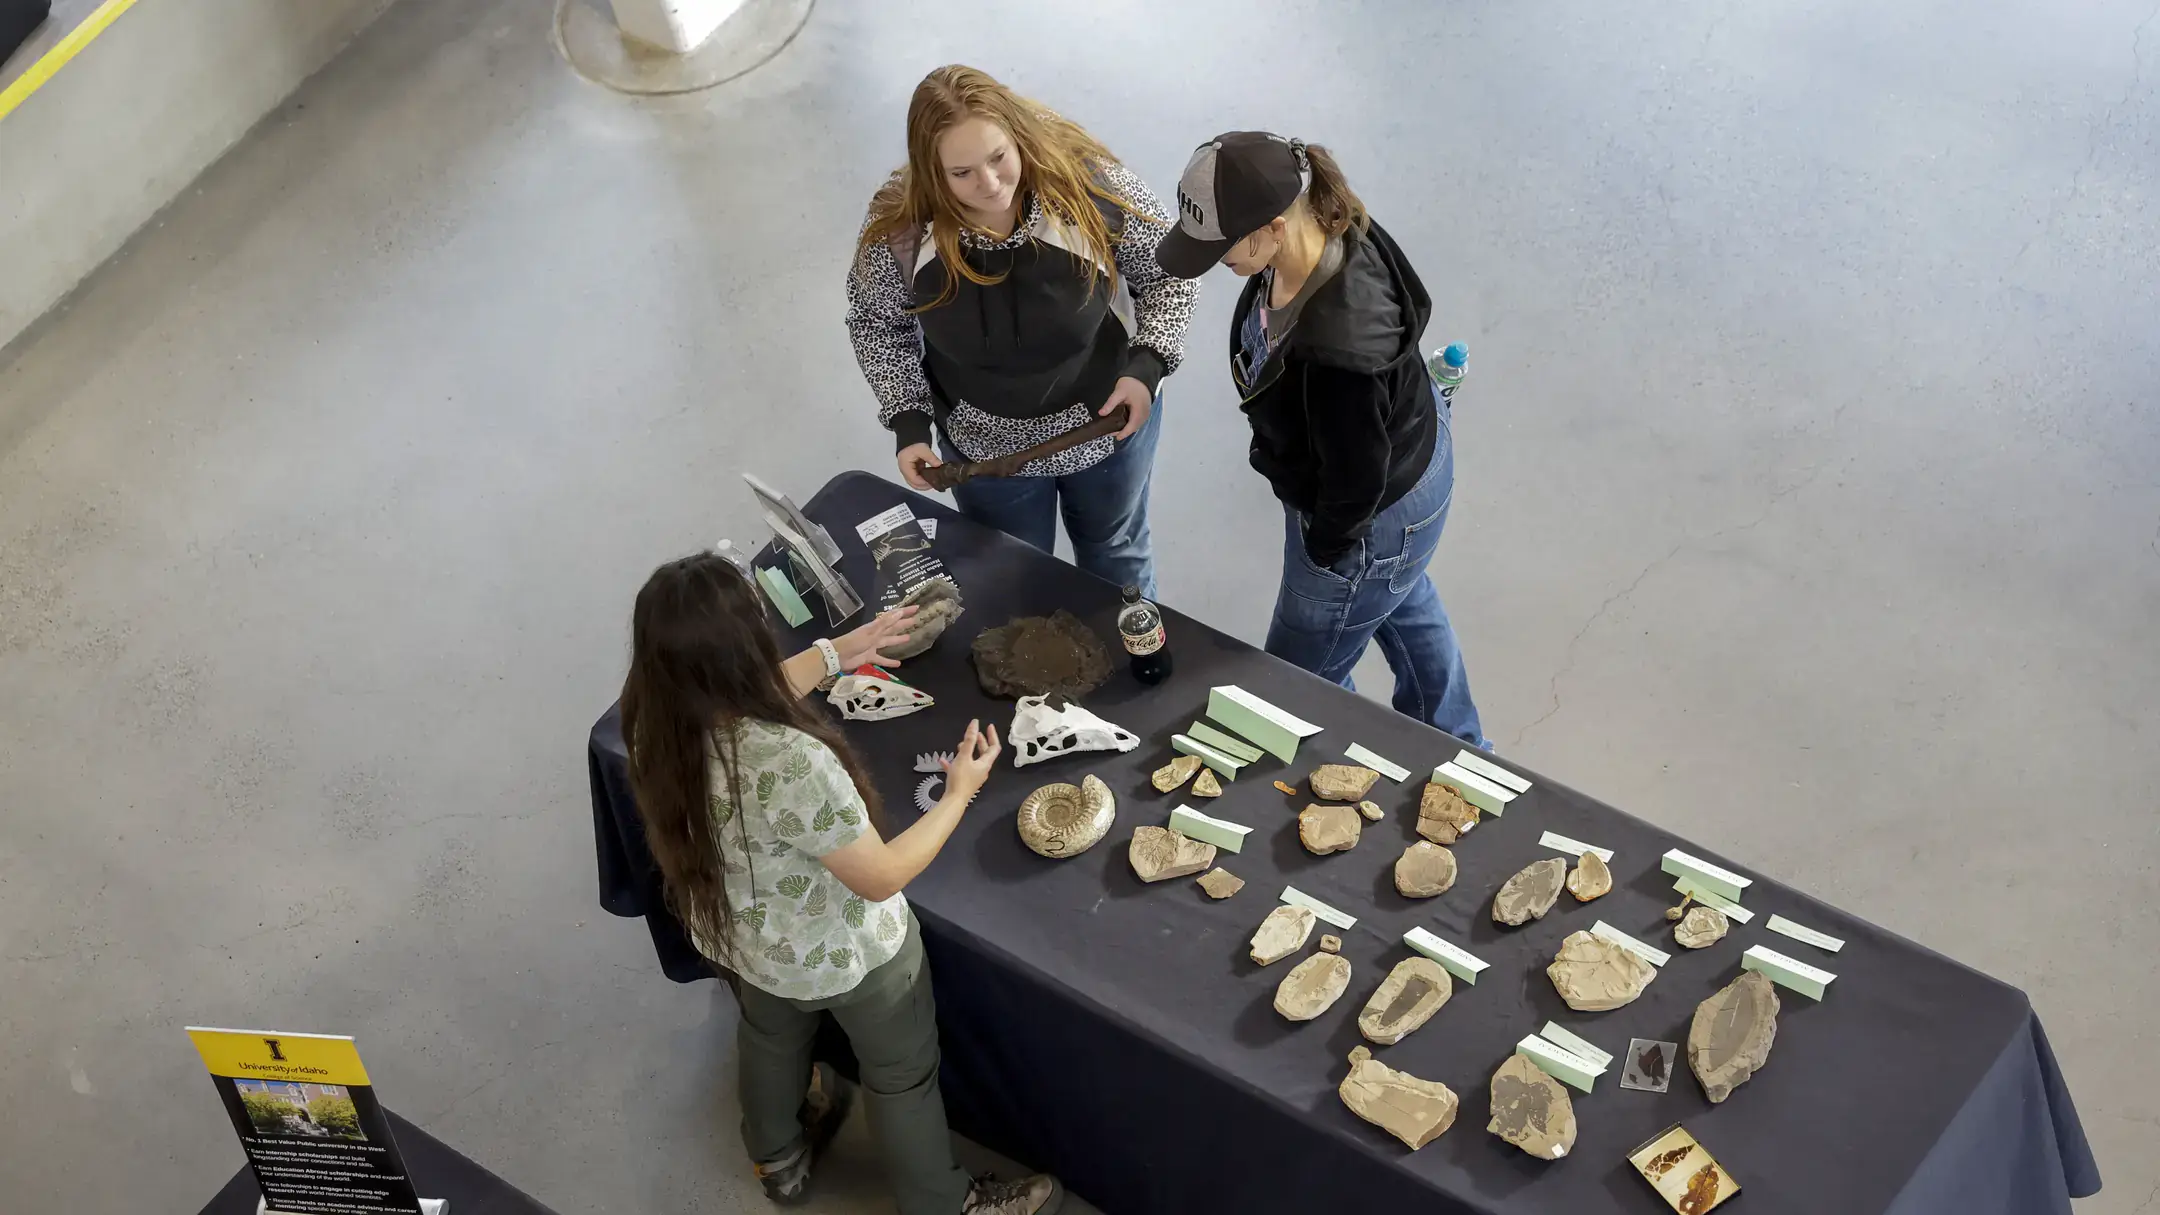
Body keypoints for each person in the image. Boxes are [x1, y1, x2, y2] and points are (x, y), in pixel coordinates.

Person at [620, 553, 1062, 1215]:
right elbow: (880, 876)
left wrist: (837, 651)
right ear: (747, 646)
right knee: (901, 1077)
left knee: (769, 1039)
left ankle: (776, 1157)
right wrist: (958, 793)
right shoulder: (793, 761)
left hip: (750, 941)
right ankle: (943, 1202)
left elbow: (740, 692)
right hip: (856, 958)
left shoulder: (655, 723)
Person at [1153, 133, 1488, 747]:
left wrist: (1327, 552)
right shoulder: (1333, 218)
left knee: (1293, 682)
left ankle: (1341, 767)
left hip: (1368, 512)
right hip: (1412, 459)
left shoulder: (1340, 350)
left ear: (1274, 229)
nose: (1217, 262)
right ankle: (1463, 749)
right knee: (1400, 596)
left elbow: (1356, 482)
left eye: (1223, 246)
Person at [846, 65, 1197, 597]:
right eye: (960, 173)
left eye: (998, 158)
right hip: (986, 456)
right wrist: (910, 425)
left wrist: (1148, 368)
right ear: (930, 171)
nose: (989, 185)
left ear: (1018, 137)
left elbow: (1168, 274)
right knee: (1016, 580)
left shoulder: (1089, 189)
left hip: (1110, 426)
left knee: (1116, 556)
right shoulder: (902, 231)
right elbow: (879, 326)